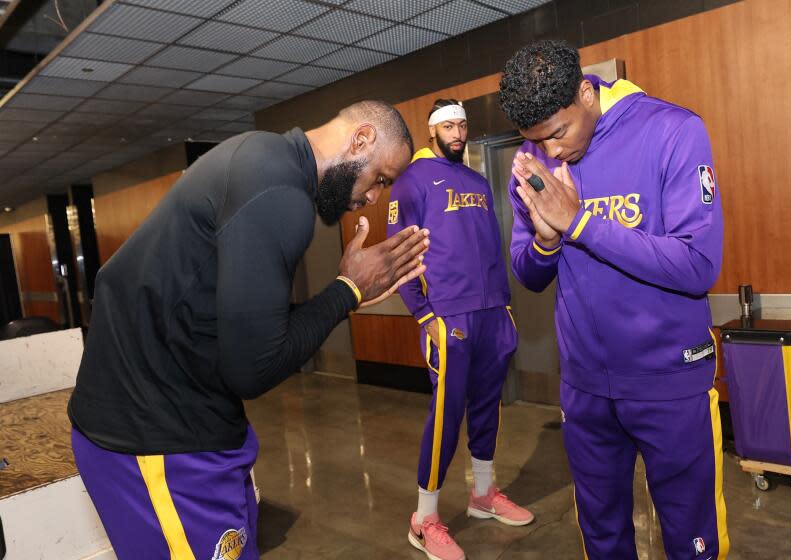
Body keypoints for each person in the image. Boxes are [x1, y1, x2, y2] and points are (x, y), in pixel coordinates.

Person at [68, 100, 429, 560]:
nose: (375, 197)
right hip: (156, 440)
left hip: (191, 423)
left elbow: (245, 322)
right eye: (380, 178)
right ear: (360, 140)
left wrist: (346, 291)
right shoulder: (280, 194)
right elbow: (252, 368)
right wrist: (347, 291)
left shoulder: (263, 157)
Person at [498, 40, 728, 559]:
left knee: (691, 540)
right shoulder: (532, 161)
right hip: (585, 388)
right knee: (602, 537)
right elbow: (528, 274)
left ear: (586, 92)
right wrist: (547, 241)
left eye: (558, 133)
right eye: (536, 141)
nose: (550, 151)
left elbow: (698, 264)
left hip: (669, 380)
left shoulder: (672, 130)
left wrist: (580, 224)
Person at [387, 99, 534, 560]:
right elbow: (400, 255)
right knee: (446, 416)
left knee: (488, 407)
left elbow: (489, 246)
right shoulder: (410, 182)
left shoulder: (475, 181)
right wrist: (424, 315)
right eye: (449, 125)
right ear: (431, 131)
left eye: (462, 125)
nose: (458, 132)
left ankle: (483, 495)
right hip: (448, 317)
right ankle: (424, 518)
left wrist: (505, 307)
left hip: (492, 313)